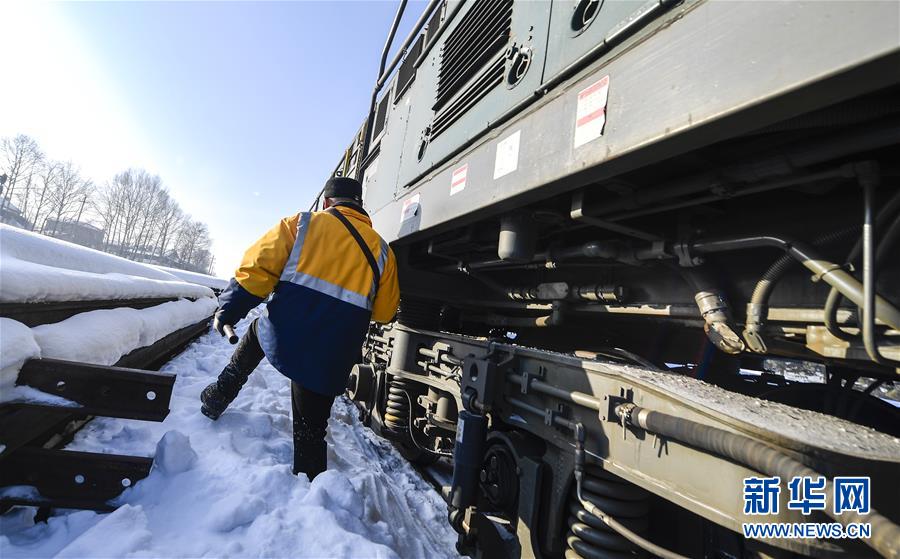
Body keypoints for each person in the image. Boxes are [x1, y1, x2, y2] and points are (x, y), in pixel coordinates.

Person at [200, 176, 399, 479]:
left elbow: (257, 270)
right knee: (312, 430)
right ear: (360, 206)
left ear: (327, 203)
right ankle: (311, 486)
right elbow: (385, 313)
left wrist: (228, 311)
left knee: (258, 332)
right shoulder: (382, 251)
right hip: (332, 354)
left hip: (284, 336)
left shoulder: (301, 224)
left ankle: (218, 395)